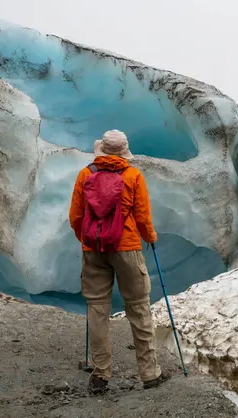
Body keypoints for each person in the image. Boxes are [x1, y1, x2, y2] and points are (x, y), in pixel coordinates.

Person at [68, 129, 170, 394]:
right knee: (138, 307)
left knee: (98, 307)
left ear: (101, 150)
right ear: (124, 152)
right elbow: (143, 216)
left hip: (93, 249)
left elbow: (75, 216)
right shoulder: (133, 176)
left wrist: (87, 240)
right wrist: (150, 237)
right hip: (127, 248)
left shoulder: (85, 174)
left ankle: (101, 374)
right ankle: (150, 374)